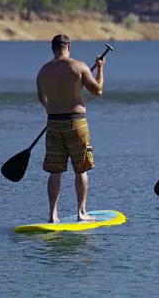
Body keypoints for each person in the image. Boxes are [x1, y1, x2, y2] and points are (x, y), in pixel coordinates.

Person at [36, 34, 105, 223]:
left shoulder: (43, 71)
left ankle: (52, 215)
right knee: (80, 169)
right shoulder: (79, 66)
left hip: (53, 122)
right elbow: (97, 91)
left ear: (52, 49)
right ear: (69, 47)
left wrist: (55, 108)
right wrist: (100, 69)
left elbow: (43, 99)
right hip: (76, 122)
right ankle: (81, 213)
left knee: (55, 170)